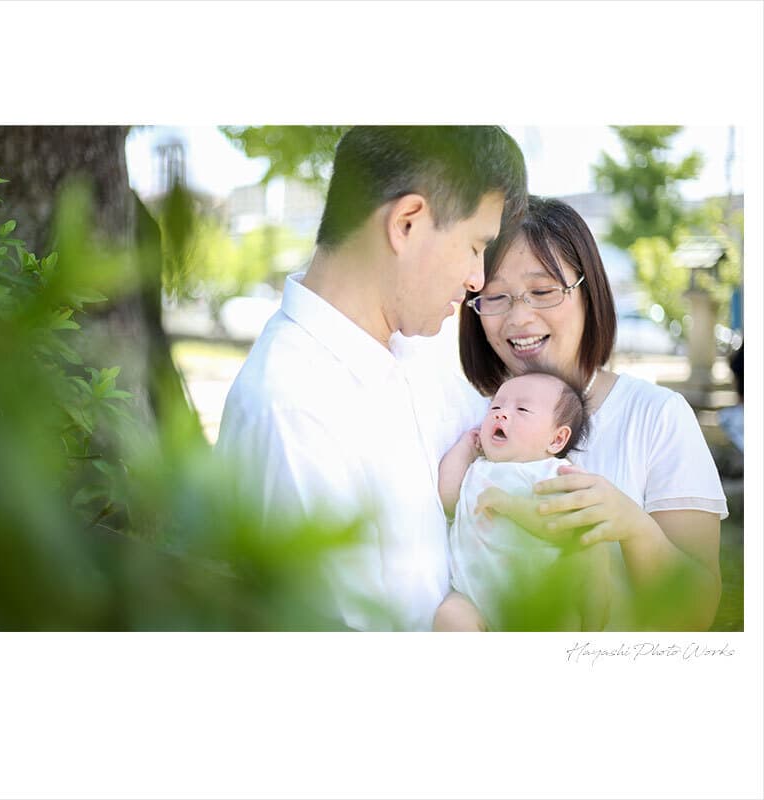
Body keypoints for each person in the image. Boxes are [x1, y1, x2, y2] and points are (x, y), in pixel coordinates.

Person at [216, 126, 528, 631]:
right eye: (475, 246)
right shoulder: (291, 409)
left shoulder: (422, 354)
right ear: (406, 223)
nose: (477, 278)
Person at [444, 195, 727, 632]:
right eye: (495, 296)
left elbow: (697, 612)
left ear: (589, 292)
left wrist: (632, 526)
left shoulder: (656, 416)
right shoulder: (466, 416)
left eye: (542, 291)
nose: (519, 317)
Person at [437, 369, 610, 631]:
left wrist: (510, 505)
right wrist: (464, 448)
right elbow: (448, 497)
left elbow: (562, 527)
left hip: (538, 599)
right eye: (495, 406)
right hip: (474, 597)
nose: (501, 413)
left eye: (522, 410)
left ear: (556, 439)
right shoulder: (478, 466)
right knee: (450, 615)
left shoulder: (554, 473)